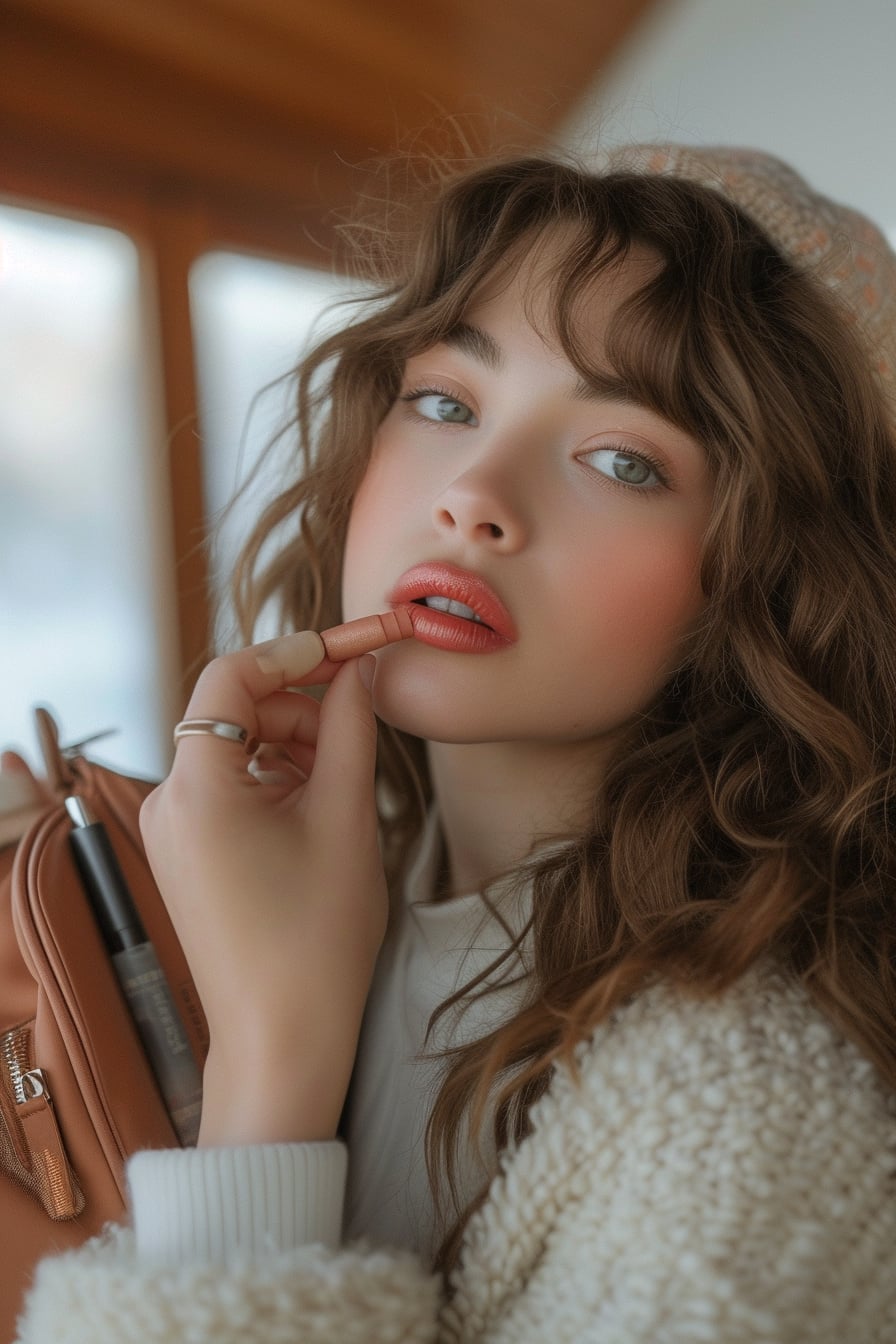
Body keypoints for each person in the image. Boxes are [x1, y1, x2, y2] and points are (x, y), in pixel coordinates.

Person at [15, 143, 896, 1343]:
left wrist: (274, 1062)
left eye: (623, 460)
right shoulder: (293, 883)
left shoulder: (746, 1121)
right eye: (444, 402)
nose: (474, 491)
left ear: (772, 578)